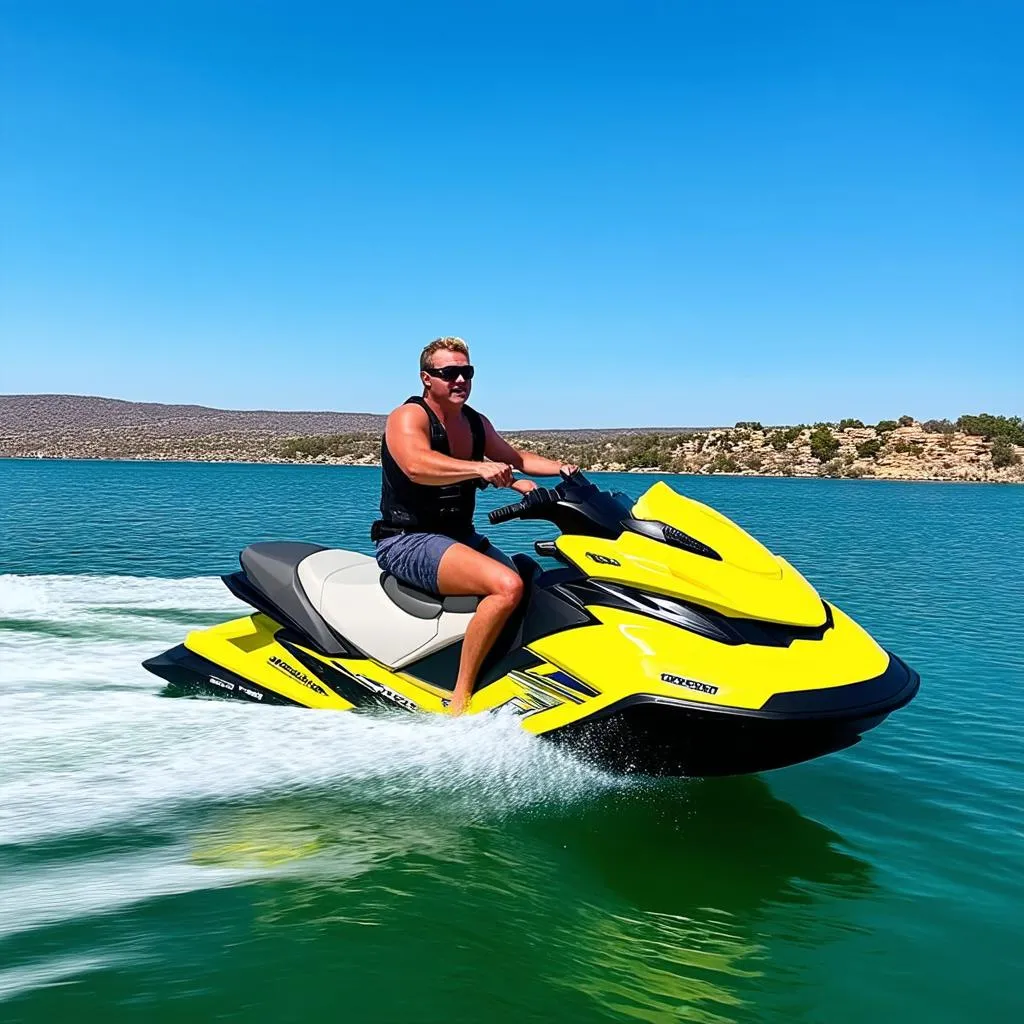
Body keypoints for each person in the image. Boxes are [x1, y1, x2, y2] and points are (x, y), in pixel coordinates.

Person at [372, 336, 577, 715]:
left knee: (531, 580)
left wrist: (562, 470)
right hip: (407, 540)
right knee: (506, 586)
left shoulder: (475, 423)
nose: (460, 380)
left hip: (457, 537)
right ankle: (460, 697)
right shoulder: (408, 417)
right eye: (449, 373)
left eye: (466, 372)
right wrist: (479, 468)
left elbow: (516, 457)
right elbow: (417, 465)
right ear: (426, 378)